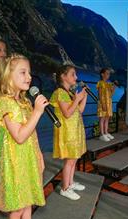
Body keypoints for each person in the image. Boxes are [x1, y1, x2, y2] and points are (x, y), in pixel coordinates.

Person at [0, 54, 51, 219]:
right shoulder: (5, 103)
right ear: (8, 76)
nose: (29, 76)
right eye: (23, 72)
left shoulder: (24, 103)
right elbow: (19, 136)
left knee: (27, 199)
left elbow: (31, 136)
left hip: (27, 159)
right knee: (16, 207)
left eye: (29, 72)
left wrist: (39, 155)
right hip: (13, 164)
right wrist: (38, 113)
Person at [50, 64, 87, 201]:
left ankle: (70, 183)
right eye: (73, 74)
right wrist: (77, 99)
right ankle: (65, 188)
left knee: (74, 158)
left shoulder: (70, 93)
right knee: (69, 161)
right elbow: (67, 113)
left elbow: (80, 110)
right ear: (63, 76)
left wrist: (83, 97)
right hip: (67, 132)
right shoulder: (60, 93)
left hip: (75, 131)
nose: (76, 77)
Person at [97, 68, 115, 141]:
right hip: (103, 103)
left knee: (107, 118)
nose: (108, 75)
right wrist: (102, 104)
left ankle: (106, 132)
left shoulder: (108, 84)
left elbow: (111, 95)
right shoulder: (100, 83)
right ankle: (102, 134)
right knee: (102, 118)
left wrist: (114, 87)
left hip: (108, 103)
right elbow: (100, 94)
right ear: (102, 74)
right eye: (107, 73)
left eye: (109, 74)